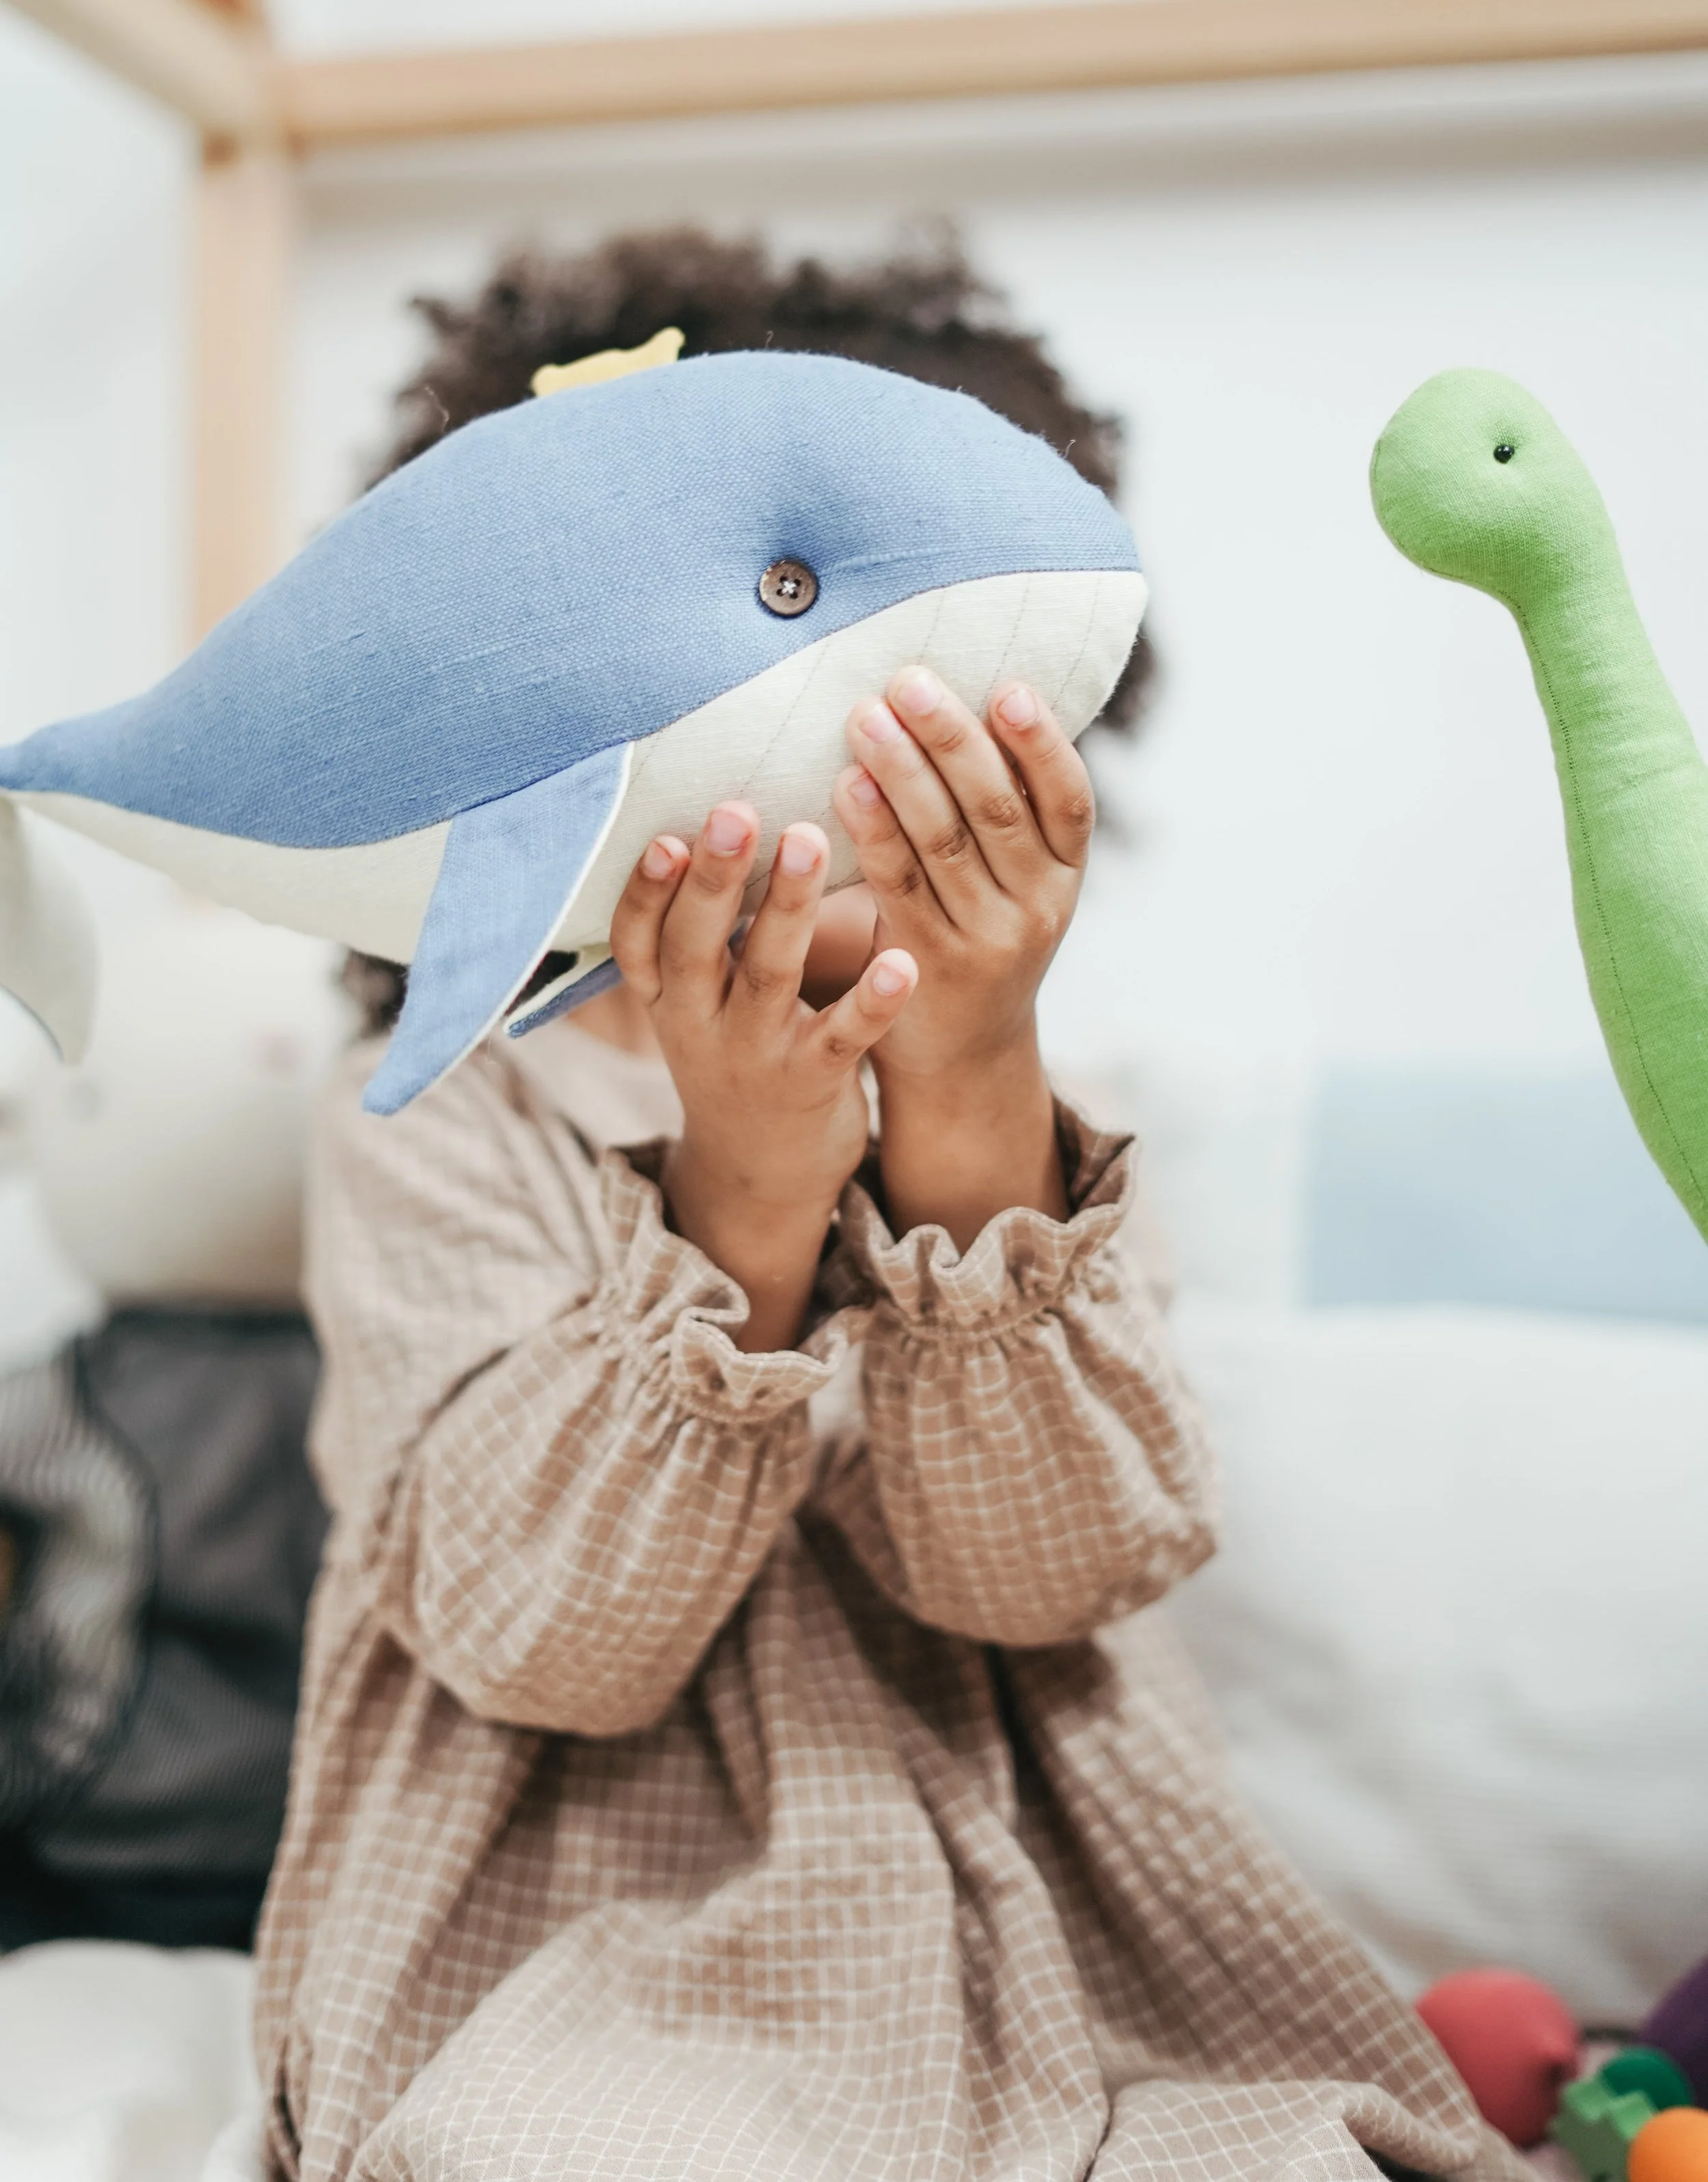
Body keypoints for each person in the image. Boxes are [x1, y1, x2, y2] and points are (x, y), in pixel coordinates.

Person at [256, 232, 1517, 2181]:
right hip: (584, 1929)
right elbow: (538, 1640)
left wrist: (970, 1094)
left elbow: (1048, 1572)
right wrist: (741, 1192)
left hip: (1060, 1917)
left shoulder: (1049, 1124)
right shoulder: (442, 1119)